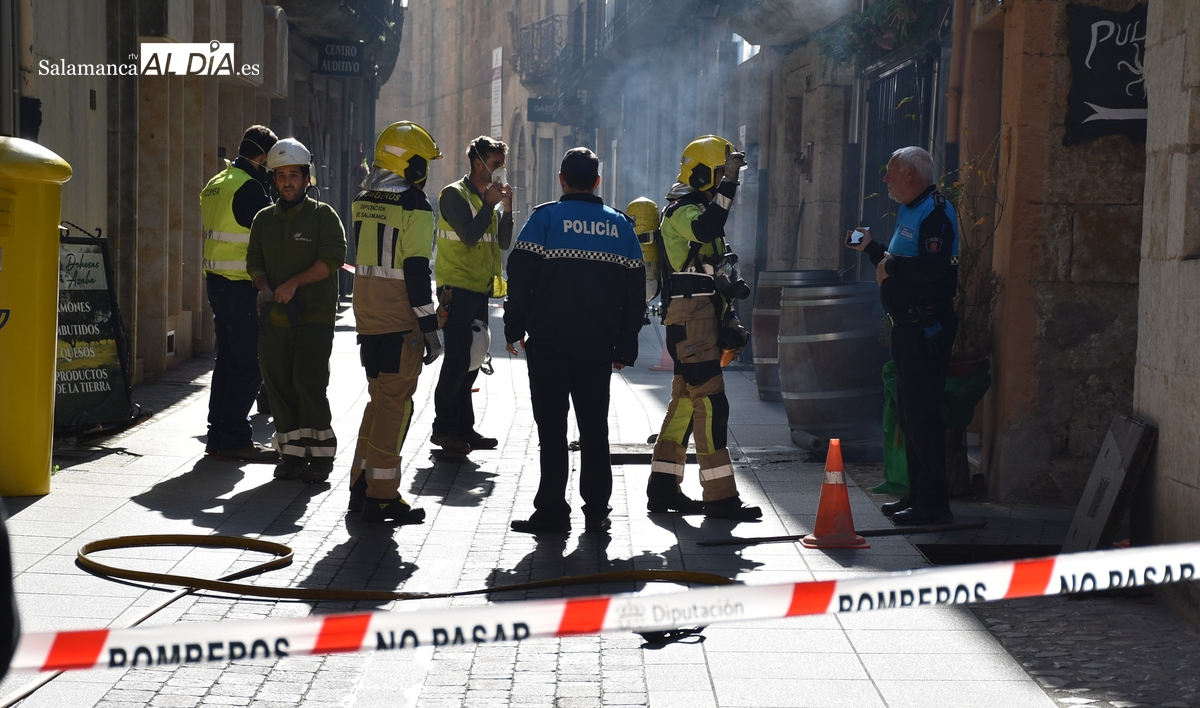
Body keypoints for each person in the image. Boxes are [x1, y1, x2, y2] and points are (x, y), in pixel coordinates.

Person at [503, 148, 645, 535]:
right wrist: (626, 344)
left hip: (548, 343)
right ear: (598, 181)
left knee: (552, 430)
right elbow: (636, 292)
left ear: (562, 180)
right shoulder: (621, 226)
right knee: (594, 427)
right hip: (597, 345)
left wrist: (513, 326)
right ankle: (597, 510)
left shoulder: (545, 218)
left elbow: (519, 273)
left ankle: (551, 511)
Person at [647, 135, 761, 521]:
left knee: (684, 401)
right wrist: (729, 185)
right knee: (712, 403)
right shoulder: (684, 210)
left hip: (700, 315)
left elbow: (714, 270)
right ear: (700, 174)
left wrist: (728, 316)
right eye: (717, 173)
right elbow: (709, 227)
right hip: (691, 318)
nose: (720, 181)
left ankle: (662, 487)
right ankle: (721, 498)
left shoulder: (696, 207)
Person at [845, 145, 959, 525]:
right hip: (906, 326)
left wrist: (891, 264)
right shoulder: (911, 209)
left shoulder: (936, 212)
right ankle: (917, 494)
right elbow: (898, 263)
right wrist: (872, 249)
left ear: (911, 173)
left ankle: (934, 504)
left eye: (891, 171)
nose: (886, 179)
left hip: (927, 327)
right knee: (911, 415)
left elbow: (932, 268)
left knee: (924, 416)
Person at [347, 121, 443, 525]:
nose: (426, 170)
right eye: (423, 162)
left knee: (379, 402)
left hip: (367, 317)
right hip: (399, 322)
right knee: (394, 408)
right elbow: (417, 273)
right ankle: (382, 495)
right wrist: (431, 330)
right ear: (410, 163)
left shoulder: (362, 200)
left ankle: (360, 484)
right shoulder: (416, 208)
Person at [246, 138, 347, 483]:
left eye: (294, 175)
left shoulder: (323, 216)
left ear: (307, 179)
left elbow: (332, 259)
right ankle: (290, 455)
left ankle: (319, 457)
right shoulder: (263, 220)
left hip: (314, 318)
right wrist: (265, 288)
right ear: (273, 181)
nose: (287, 181)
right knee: (278, 386)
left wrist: (293, 284)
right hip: (273, 319)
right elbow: (254, 262)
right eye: (281, 175)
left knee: (308, 383)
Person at [200, 125, 280, 462]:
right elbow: (269, 233)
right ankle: (234, 437)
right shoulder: (249, 188)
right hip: (240, 285)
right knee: (248, 365)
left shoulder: (217, 182)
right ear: (262, 158)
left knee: (227, 361)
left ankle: (218, 435)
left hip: (216, 281)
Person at [432, 136, 513, 454]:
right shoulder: (453, 195)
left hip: (479, 287)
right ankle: (444, 429)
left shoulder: (487, 198)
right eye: (495, 165)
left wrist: (506, 209)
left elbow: (503, 242)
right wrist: (490, 204)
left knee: (474, 358)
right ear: (478, 163)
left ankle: (464, 428)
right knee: (456, 360)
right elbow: (467, 236)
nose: (499, 172)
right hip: (456, 287)